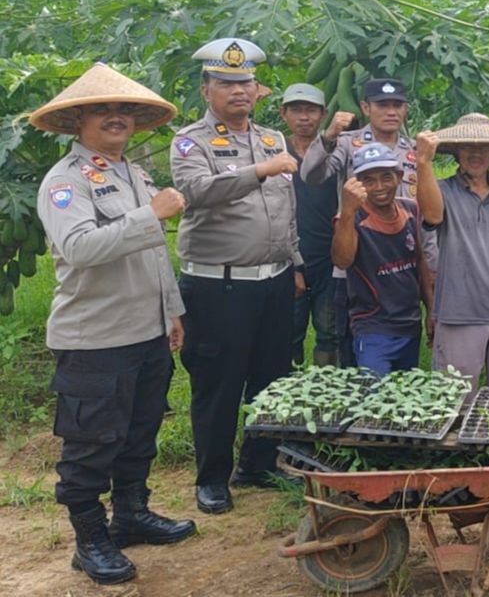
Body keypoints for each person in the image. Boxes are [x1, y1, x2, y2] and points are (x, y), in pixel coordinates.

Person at [31, 65, 198, 585]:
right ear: (79, 119)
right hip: (95, 339)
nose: (117, 117)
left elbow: (150, 257)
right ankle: (90, 539)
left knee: (138, 433)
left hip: (145, 332)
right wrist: (152, 216)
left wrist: (171, 310)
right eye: (104, 109)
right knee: (91, 444)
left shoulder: (132, 174)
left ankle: (130, 514)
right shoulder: (65, 181)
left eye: (124, 110)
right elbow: (79, 249)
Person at [169, 38, 302, 515]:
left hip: (275, 280)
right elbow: (195, 191)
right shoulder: (191, 142)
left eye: (245, 82)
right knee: (219, 384)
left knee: (271, 378)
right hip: (218, 286)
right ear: (207, 90)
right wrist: (260, 170)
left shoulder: (272, 138)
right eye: (225, 83)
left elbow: (286, 210)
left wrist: (296, 262)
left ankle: (258, 464)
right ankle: (211, 479)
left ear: (257, 88)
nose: (238, 91)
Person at [301, 77, 423, 365]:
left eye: (397, 105)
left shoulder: (414, 149)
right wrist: (327, 137)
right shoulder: (347, 143)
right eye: (383, 105)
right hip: (357, 263)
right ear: (366, 108)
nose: (391, 111)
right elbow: (311, 176)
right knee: (353, 350)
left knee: (405, 348)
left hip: (401, 264)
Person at [415, 114, 489, 387]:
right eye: (468, 147)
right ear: (457, 153)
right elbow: (433, 216)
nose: (476, 153)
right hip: (458, 313)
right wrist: (423, 162)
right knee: (453, 402)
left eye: (483, 147)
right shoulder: (443, 190)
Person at [332, 144, 433, 375]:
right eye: (368, 180)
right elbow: (342, 261)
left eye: (386, 177)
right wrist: (347, 211)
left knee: (403, 396)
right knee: (374, 396)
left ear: (399, 177)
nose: (379, 187)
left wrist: (431, 310)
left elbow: (420, 262)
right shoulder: (350, 218)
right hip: (373, 326)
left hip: (409, 323)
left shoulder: (410, 209)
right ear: (357, 184)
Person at [280, 83, 340, 366]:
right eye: (297, 110)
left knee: (330, 331)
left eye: (311, 111)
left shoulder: (336, 150)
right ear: (284, 114)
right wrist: (292, 263)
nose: (304, 117)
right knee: (288, 332)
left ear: (323, 114)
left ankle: (324, 394)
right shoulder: (274, 150)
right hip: (287, 256)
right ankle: (287, 395)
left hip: (330, 255)